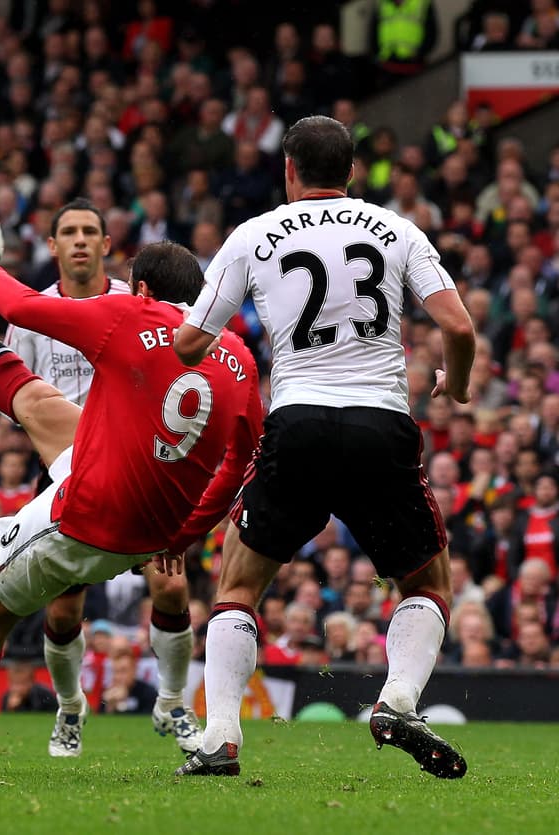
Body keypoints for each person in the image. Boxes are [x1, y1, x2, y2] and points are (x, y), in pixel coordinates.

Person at [0, 222, 263, 769]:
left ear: (139, 290)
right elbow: (241, 464)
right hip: (156, 521)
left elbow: (18, 306)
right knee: (39, 402)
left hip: (90, 516)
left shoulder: (131, 315)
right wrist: (185, 533)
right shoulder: (238, 355)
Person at [173, 115, 476, 779]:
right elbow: (457, 323)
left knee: (240, 584)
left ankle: (221, 733)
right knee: (427, 580)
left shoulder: (253, 237)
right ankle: (397, 699)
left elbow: (190, 343)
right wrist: (454, 385)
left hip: (299, 421)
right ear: (352, 172)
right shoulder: (397, 230)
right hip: (380, 422)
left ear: (288, 168)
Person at [5, 198, 202, 758]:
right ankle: (70, 709)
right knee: (64, 607)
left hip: (140, 467)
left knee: (171, 584)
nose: (81, 240)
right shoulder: (32, 314)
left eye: (91, 230)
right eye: (68, 231)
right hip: (73, 471)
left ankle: (171, 702)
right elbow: (18, 396)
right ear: (52, 246)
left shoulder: (132, 302)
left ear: (107, 244)